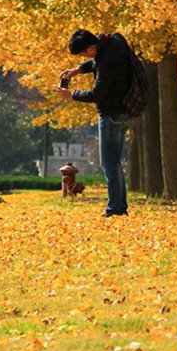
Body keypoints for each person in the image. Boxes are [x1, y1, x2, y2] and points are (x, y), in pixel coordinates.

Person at [54, 29, 132, 217]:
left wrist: (71, 94)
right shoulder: (111, 45)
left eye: (82, 53)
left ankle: (114, 209)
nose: (83, 56)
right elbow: (96, 60)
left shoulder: (106, 62)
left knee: (109, 163)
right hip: (123, 111)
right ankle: (120, 207)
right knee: (115, 162)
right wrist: (78, 70)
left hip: (111, 114)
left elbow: (96, 95)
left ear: (90, 48)